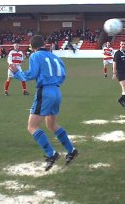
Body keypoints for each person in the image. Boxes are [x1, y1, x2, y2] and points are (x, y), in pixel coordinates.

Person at [9, 35, 78, 171]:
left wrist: (17, 73)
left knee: (32, 126)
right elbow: (63, 74)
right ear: (44, 43)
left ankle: (51, 154)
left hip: (45, 92)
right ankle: (71, 150)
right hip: (57, 91)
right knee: (51, 124)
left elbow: (31, 74)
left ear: (32, 47)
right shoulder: (55, 57)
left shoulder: (35, 56)